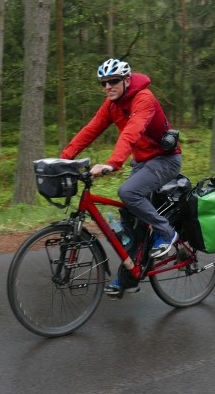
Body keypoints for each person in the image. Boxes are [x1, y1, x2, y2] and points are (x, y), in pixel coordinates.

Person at [59, 58, 182, 295]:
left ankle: (166, 232)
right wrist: (65, 159)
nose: (107, 87)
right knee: (130, 217)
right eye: (103, 83)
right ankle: (130, 277)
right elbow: (90, 130)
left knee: (128, 192)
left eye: (113, 81)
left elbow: (131, 132)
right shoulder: (111, 104)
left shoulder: (144, 98)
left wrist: (112, 164)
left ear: (126, 80)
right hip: (143, 163)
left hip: (165, 161)